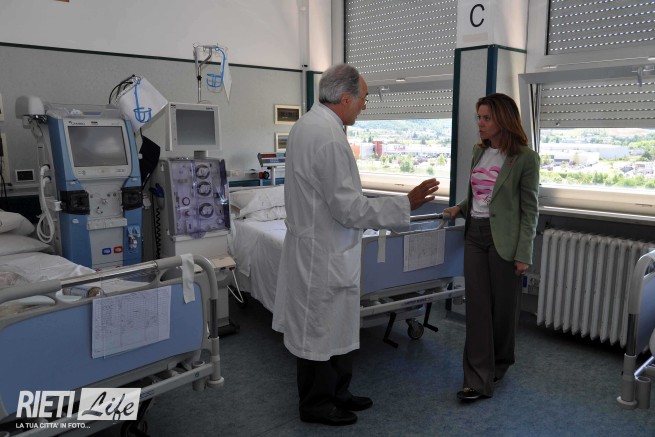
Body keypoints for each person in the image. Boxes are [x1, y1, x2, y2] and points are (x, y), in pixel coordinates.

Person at [272, 63, 439, 426]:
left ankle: (338, 391)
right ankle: (316, 404)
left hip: (324, 247)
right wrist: (405, 204)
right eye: (363, 98)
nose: (364, 105)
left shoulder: (307, 126)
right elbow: (349, 208)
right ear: (345, 98)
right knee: (319, 330)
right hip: (323, 253)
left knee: (335, 325)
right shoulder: (328, 138)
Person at [443, 93, 540, 402]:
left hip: (505, 240)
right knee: (477, 308)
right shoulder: (479, 152)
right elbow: (480, 194)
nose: (480, 124)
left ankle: (500, 362)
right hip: (475, 234)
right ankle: (477, 379)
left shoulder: (525, 158)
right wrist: (460, 207)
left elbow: (530, 210)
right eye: (479, 117)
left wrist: (524, 254)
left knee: (503, 311)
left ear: (503, 120)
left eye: (487, 118)